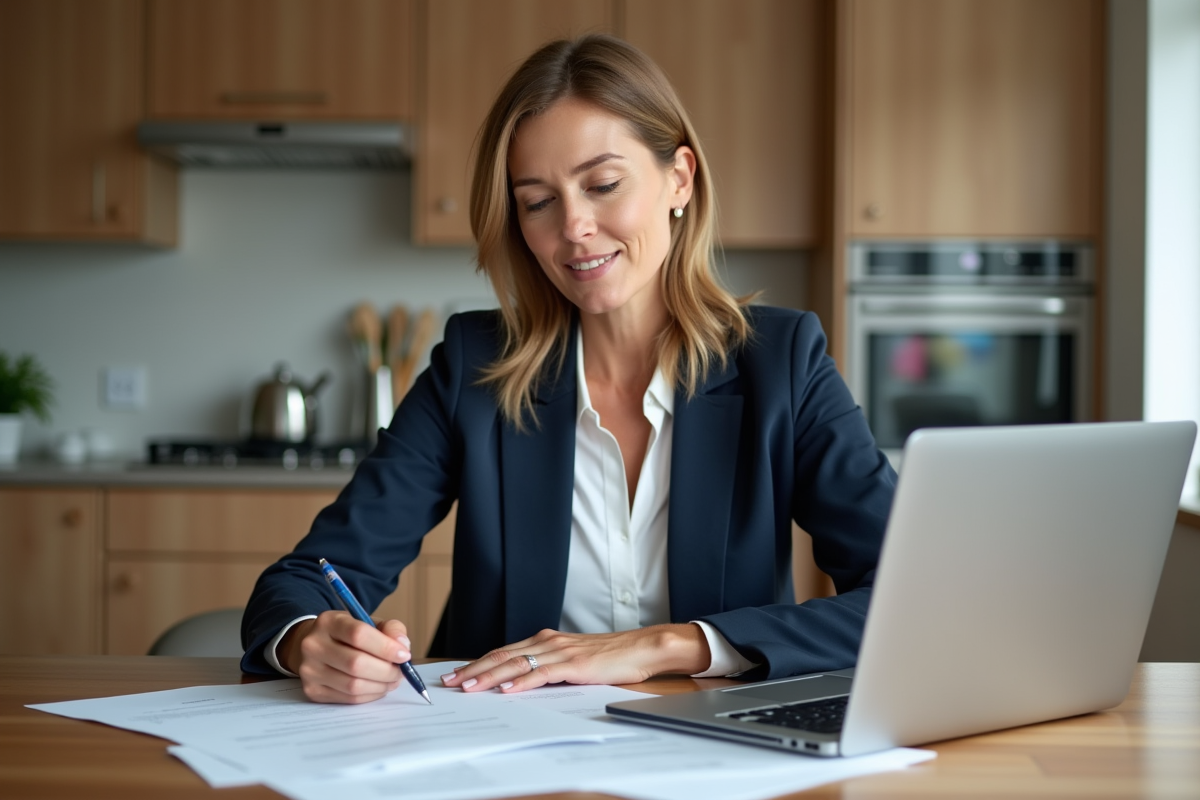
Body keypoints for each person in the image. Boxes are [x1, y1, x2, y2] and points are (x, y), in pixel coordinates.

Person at [241, 33, 896, 704]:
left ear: (680, 179)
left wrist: (667, 645)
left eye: (603, 185)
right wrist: (307, 642)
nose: (574, 226)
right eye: (538, 201)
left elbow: (911, 596)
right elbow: (306, 580)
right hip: (504, 740)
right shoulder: (475, 366)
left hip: (713, 742)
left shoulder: (782, 363)